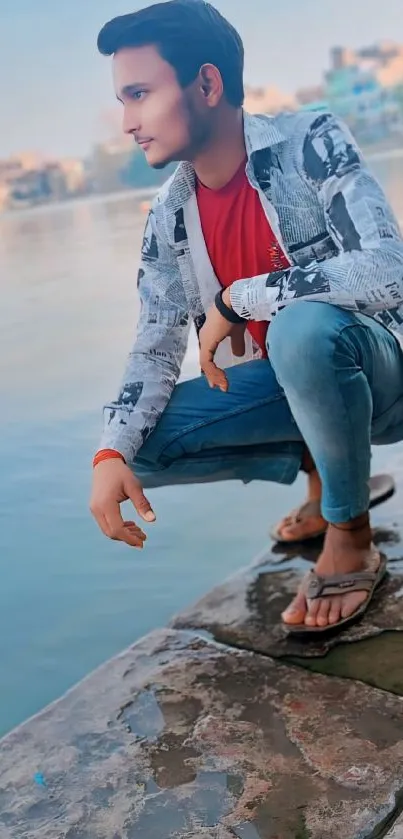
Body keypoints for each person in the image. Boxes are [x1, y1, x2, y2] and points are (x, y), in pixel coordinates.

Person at [90, 0, 403, 635]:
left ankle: (350, 534)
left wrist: (238, 299)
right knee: (135, 451)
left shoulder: (308, 141)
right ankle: (327, 482)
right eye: (123, 101)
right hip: (298, 387)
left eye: (140, 94)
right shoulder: (169, 217)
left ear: (206, 84)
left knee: (301, 328)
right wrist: (108, 452)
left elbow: (388, 269)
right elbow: (154, 345)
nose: (128, 121)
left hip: (384, 374)